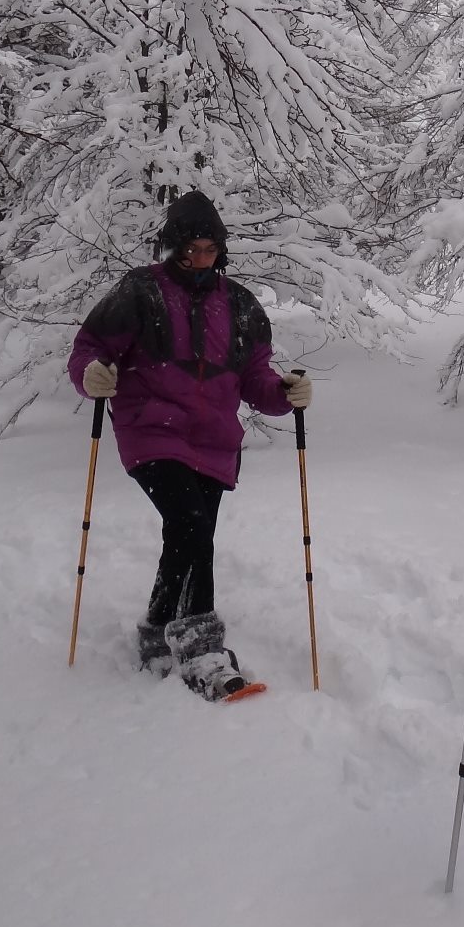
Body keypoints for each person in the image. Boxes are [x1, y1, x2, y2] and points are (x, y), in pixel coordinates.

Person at [67, 190, 311, 699]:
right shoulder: (141, 291)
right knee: (191, 526)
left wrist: (284, 393)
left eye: (210, 249)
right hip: (151, 430)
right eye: (191, 250)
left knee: (188, 537)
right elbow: (91, 347)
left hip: (214, 440)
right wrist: (90, 373)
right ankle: (202, 650)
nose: (201, 259)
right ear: (172, 248)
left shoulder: (240, 304)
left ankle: (157, 630)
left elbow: (254, 378)